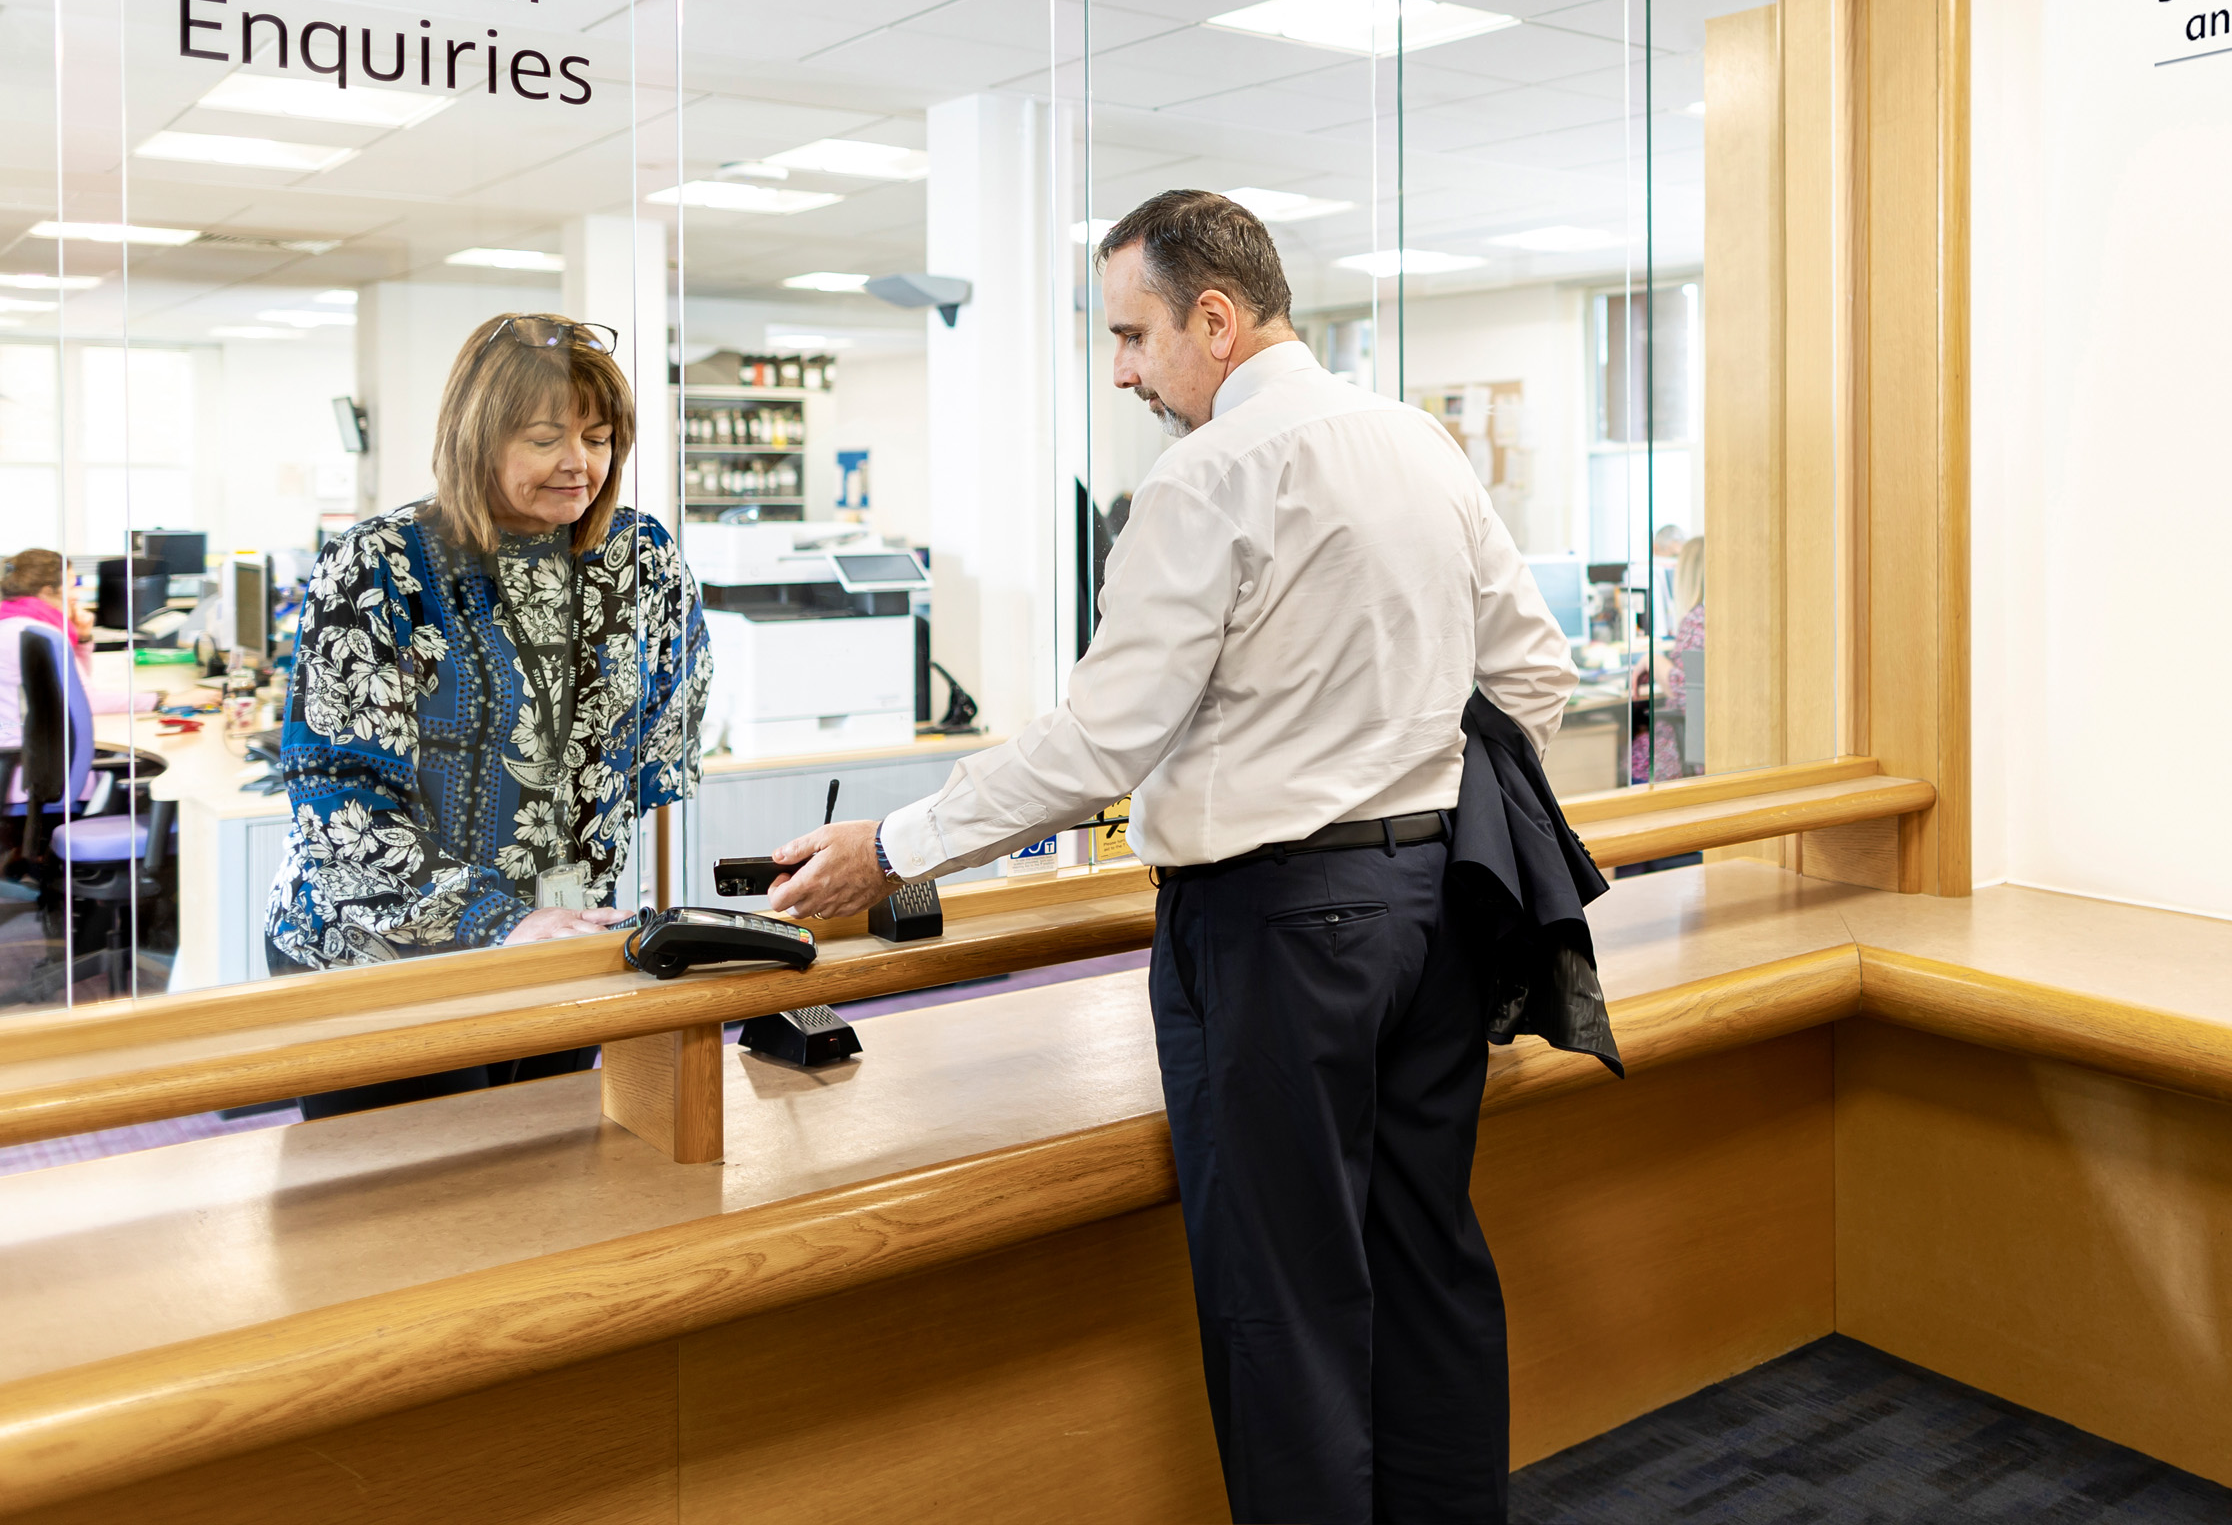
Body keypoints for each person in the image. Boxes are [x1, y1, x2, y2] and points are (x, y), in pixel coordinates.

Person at [768, 189, 1583, 1525]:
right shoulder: (1413, 442)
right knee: (1428, 1267)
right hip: (1435, 910)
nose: (1126, 371)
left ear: (1215, 317)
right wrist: (1406, 770)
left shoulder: (1209, 477)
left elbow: (1102, 742)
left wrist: (896, 847)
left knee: (1289, 1308)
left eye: (1135, 334)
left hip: (1278, 932)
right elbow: (1535, 676)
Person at [265, 313, 710, 1117]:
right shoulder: (381, 562)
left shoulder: (643, 557)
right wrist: (496, 919)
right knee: (402, 1215)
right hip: (385, 958)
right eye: (546, 438)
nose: (581, 463)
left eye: (601, 437)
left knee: (548, 1190)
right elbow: (339, 799)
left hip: (563, 943)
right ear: (478, 439)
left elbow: (663, 744)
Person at [0, 549, 153, 714]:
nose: (76, 596)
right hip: (17, 738)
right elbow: (85, 701)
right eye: (72, 587)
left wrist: (82, 639)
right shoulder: (40, 635)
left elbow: (76, 687)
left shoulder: (14, 622)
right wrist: (160, 700)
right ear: (46, 592)